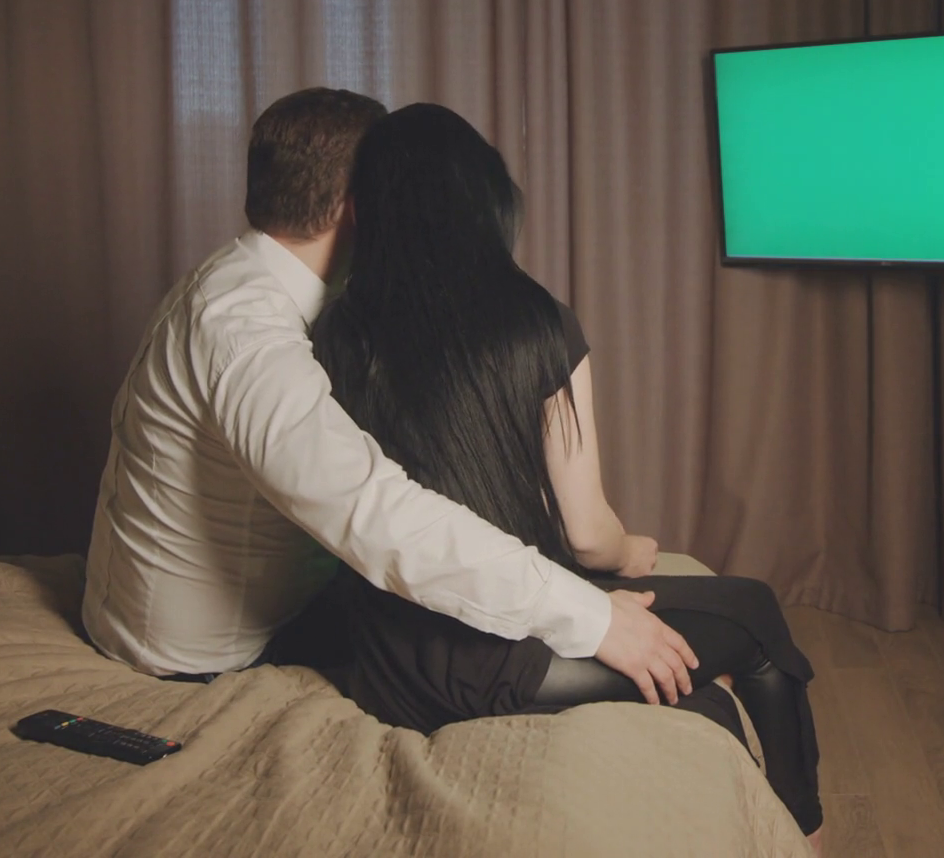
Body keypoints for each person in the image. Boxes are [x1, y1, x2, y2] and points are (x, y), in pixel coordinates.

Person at [291, 102, 824, 842]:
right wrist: (630, 552)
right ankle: (807, 834)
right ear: (483, 202)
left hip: (386, 662)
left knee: (701, 698)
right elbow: (587, 536)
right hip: (502, 661)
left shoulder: (334, 333)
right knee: (757, 618)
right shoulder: (534, 321)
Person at [82, 88, 699, 709]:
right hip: (202, 655)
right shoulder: (243, 332)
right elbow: (374, 512)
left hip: (286, 603)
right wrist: (591, 617)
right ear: (359, 206)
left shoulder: (254, 280)